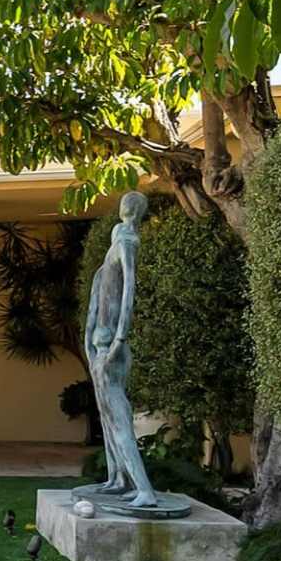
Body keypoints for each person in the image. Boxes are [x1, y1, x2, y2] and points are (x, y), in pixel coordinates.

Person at [80, 190, 191, 516]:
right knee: (107, 416)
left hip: (112, 347)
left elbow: (129, 291)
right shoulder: (118, 235)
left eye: (130, 203)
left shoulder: (127, 243)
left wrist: (118, 339)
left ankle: (145, 490)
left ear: (135, 210)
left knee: (119, 420)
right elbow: (99, 293)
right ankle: (118, 478)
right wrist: (90, 341)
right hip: (99, 346)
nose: (124, 206)